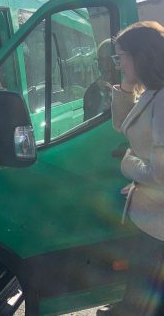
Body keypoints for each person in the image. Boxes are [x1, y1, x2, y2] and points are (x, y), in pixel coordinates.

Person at [98, 21, 164, 315]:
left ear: (141, 56)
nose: (119, 63)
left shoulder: (162, 100)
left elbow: (161, 174)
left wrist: (129, 165)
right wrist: (126, 85)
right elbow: (122, 124)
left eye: (121, 56)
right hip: (152, 220)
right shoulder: (153, 92)